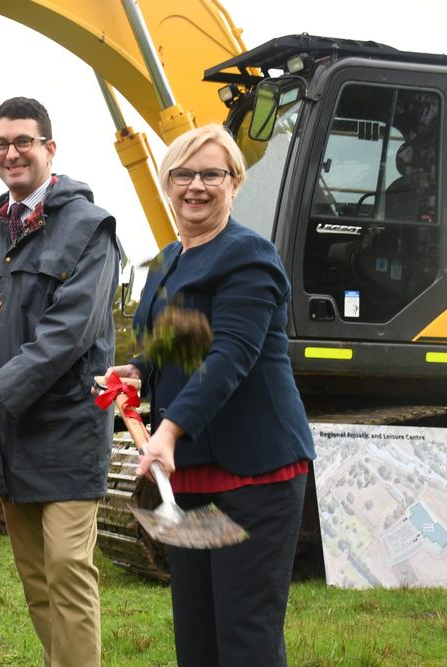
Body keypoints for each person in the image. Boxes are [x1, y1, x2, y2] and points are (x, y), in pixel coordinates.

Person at [105, 123, 316, 666]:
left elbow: (231, 356)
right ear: (166, 184)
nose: (196, 186)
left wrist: (169, 430)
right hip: (192, 475)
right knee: (196, 636)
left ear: (235, 183)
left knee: (244, 635)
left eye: (211, 174)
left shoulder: (249, 257)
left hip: (255, 474)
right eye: (183, 174)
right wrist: (136, 370)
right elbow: (171, 343)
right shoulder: (166, 263)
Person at [0, 97, 121, 667]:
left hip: (67, 426)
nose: (12, 152)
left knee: (68, 569)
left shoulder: (90, 229)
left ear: (50, 148)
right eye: (1, 143)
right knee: (36, 577)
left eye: (24, 141)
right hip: (8, 435)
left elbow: (67, 335)